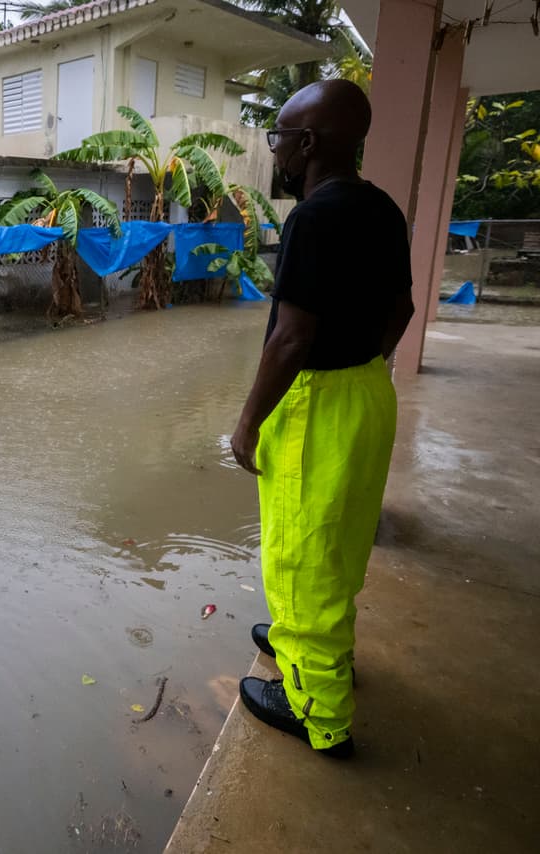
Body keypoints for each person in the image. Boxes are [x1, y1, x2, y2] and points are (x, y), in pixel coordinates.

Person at [230, 79, 415, 759]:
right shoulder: (382, 210)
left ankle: (319, 711)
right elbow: (402, 312)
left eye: (278, 134)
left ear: (307, 144)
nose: (274, 147)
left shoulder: (310, 219)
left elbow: (290, 338)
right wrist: (364, 361)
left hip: (319, 402)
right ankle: (302, 645)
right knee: (335, 545)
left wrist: (248, 422)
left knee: (302, 551)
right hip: (368, 392)